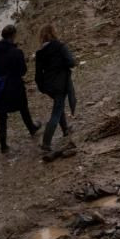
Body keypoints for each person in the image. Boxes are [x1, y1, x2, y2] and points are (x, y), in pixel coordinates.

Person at [0, 25, 39, 154]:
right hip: (14, 86)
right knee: (23, 109)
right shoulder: (16, 52)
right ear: (13, 35)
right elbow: (23, 71)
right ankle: (32, 128)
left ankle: (3, 145)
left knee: (2, 116)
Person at [34, 24, 76, 155]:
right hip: (60, 84)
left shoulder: (40, 52)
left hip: (48, 86)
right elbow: (71, 62)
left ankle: (65, 130)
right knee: (56, 111)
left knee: (59, 105)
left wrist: (42, 87)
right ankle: (46, 143)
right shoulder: (60, 46)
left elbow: (37, 74)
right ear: (53, 33)